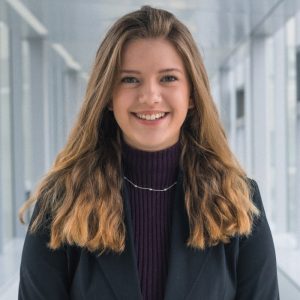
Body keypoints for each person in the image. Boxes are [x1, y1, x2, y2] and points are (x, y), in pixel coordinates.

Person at [18, 5, 279, 300]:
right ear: (107, 95)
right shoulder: (61, 205)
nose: (150, 96)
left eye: (168, 78)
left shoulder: (238, 202)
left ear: (192, 94)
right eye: (130, 79)